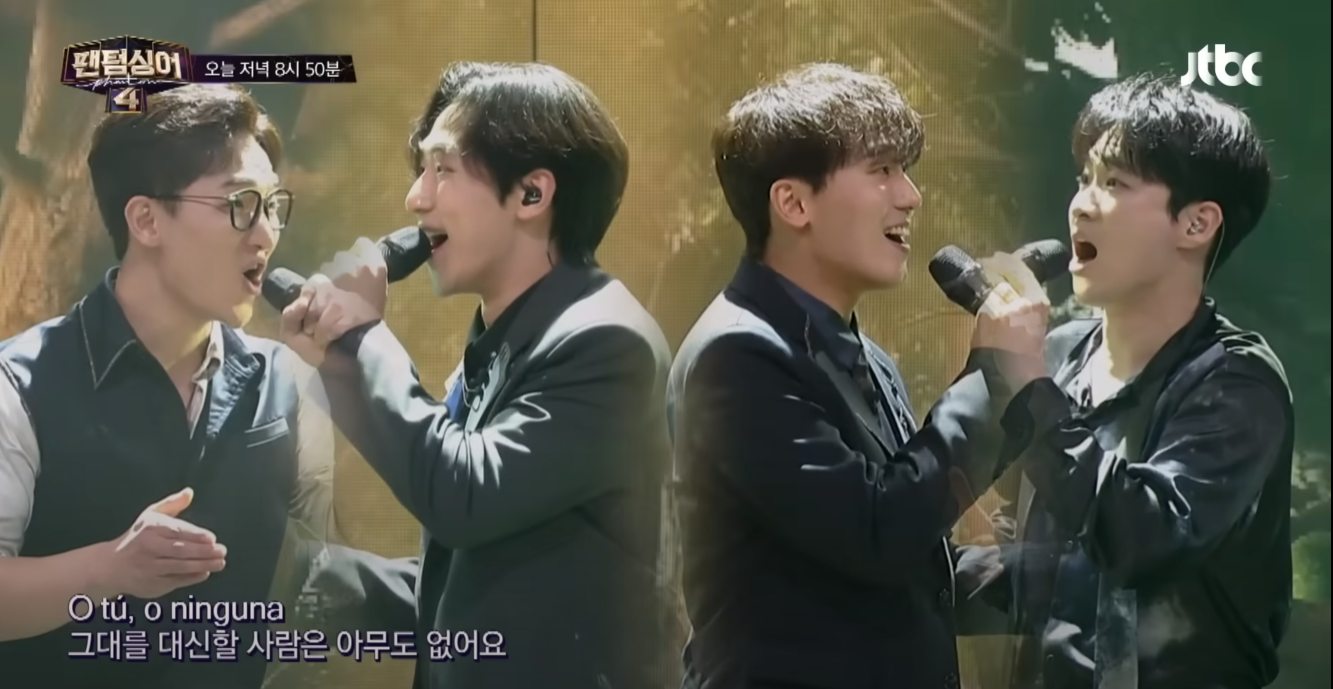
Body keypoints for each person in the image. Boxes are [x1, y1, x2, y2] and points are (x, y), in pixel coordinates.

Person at [279, 62, 673, 689]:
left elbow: (463, 494)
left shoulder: (606, 340)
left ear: (532, 194)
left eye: (442, 169)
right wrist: (294, 574)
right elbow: (478, 576)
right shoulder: (507, 337)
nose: (416, 198)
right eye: (421, 170)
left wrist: (361, 336)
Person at [667, 62, 1049, 689]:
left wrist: (1073, 577)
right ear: (793, 203)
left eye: (905, 170)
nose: (910, 195)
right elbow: (879, 533)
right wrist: (989, 376)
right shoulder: (737, 355)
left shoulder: (859, 351)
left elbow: (908, 551)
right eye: (882, 170)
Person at [0, 84, 336, 689]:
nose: (265, 233)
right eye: (240, 204)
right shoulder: (19, 385)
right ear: (146, 220)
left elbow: (323, 574)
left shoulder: (289, 382)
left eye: (273, 206)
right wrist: (108, 569)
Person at [983, 74, 1293, 689]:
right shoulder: (1059, 354)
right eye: (1084, 179)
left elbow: (1142, 539)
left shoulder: (1236, 382)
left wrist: (1027, 389)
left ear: (1196, 224)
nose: (1081, 204)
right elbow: (1042, 563)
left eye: (1115, 183)